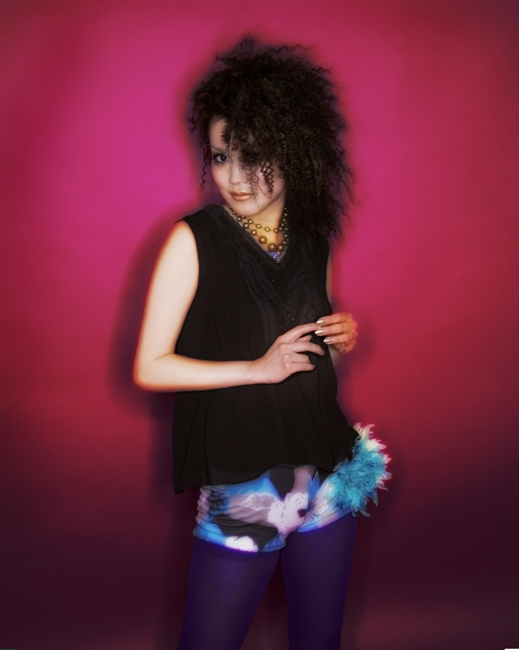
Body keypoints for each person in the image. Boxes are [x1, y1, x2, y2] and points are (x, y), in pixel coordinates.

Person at [134, 37, 390, 650]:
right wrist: (255, 368)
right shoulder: (193, 240)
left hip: (330, 477)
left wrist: (338, 340)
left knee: (319, 641)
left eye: (254, 156)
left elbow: (310, 363)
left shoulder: (313, 242)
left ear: (294, 151)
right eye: (222, 156)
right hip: (246, 487)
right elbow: (150, 366)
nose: (235, 177)